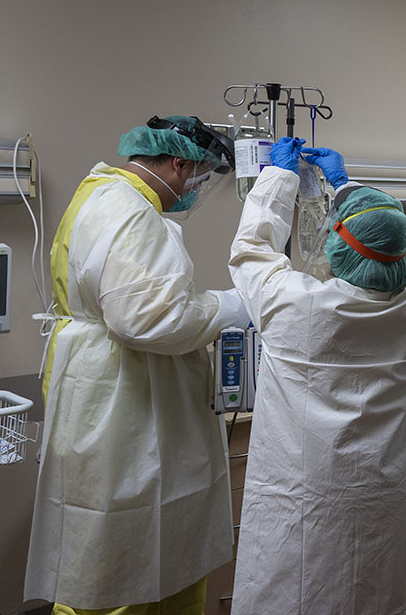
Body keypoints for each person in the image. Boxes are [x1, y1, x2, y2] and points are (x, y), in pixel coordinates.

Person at [25, 116, 248, 614]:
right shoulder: (131, 213)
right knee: (115, 559)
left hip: (110, 386)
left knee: (149, 548)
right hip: (122, 400)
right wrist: (230, 307)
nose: (197, 190)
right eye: (201, 177)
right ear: (178, 163)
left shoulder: (98, 194)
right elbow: (149, 320)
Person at [229, 138, 406, 614]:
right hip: (388, 503)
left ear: (336, 247)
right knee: (387, 591)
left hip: (307, 506)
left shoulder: (297, 308)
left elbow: (251, 252)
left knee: (302, 591)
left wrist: (277, 181)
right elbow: (400, 243)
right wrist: (348, 187)